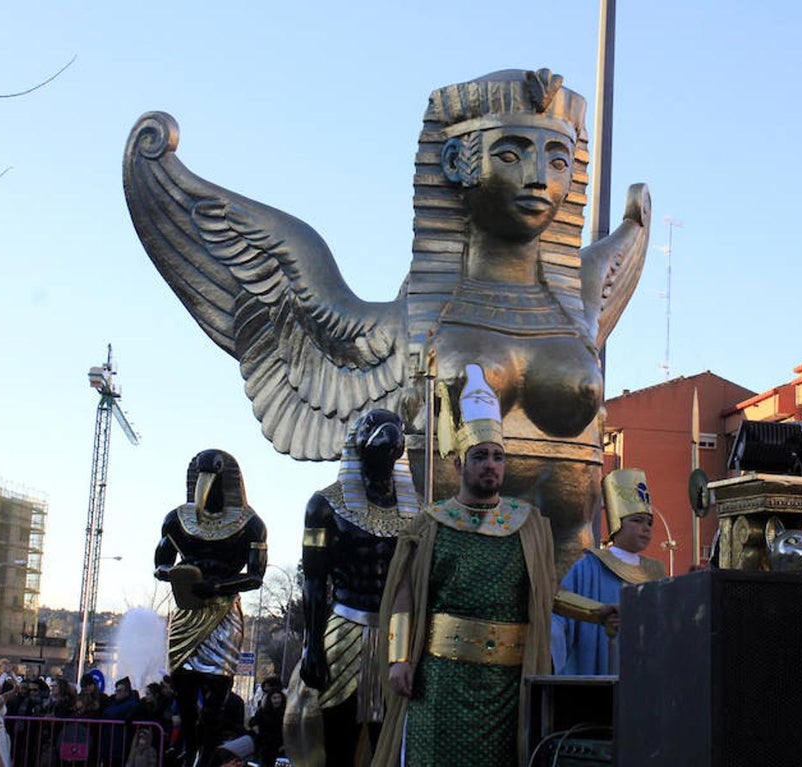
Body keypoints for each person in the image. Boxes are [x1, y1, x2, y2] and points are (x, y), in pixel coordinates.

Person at [123, 67, 650, 582]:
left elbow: (627, 238)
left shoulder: (579, 293)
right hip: (434, 588)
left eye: (557, 159)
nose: (539, 176)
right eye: (511, 154)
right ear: (456, 162)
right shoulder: (402, 326)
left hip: (566, 588)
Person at [372, 364, 614, 767]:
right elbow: (405, 594)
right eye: (480, 456)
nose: (490, 465)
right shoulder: (429, 524)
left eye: (498, 457)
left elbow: (545, 596)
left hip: (507, 684)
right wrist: (400, 658)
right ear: (459, 465)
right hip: (441, 679)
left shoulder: (528, 524)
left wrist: (596, 612)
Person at [292, 408, 419, 767]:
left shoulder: (417, 512)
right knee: (339, 741)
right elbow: (314, 579)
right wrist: (310, 644)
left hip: (399, 635)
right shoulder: (324, 506)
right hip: (344, 630)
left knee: (390, 745)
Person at [153, 449, 268, 767]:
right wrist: (178, 576)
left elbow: (256, 576)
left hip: (223, 613)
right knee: (183, 688)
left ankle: (205, 751)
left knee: (217, 690)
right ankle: (189, 747)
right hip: (188, 610)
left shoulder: (251, 524)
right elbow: (160, 564)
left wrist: (218, 585)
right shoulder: (177, 520)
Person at [552, 468, 665, 675]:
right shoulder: (589, 567)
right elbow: (560, 612)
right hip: (597, 670)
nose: (646, 528)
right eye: (637, 520)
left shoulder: (656, 574)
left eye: (649, 522)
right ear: (617, 523)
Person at [248, 690, 285, 767]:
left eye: (279, 697)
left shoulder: (285, 713)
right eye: (274, 698)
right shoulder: (263, 711)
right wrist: (255, 727)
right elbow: (253, 720)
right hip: (264, 744)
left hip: (279, 745)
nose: (277, 700)